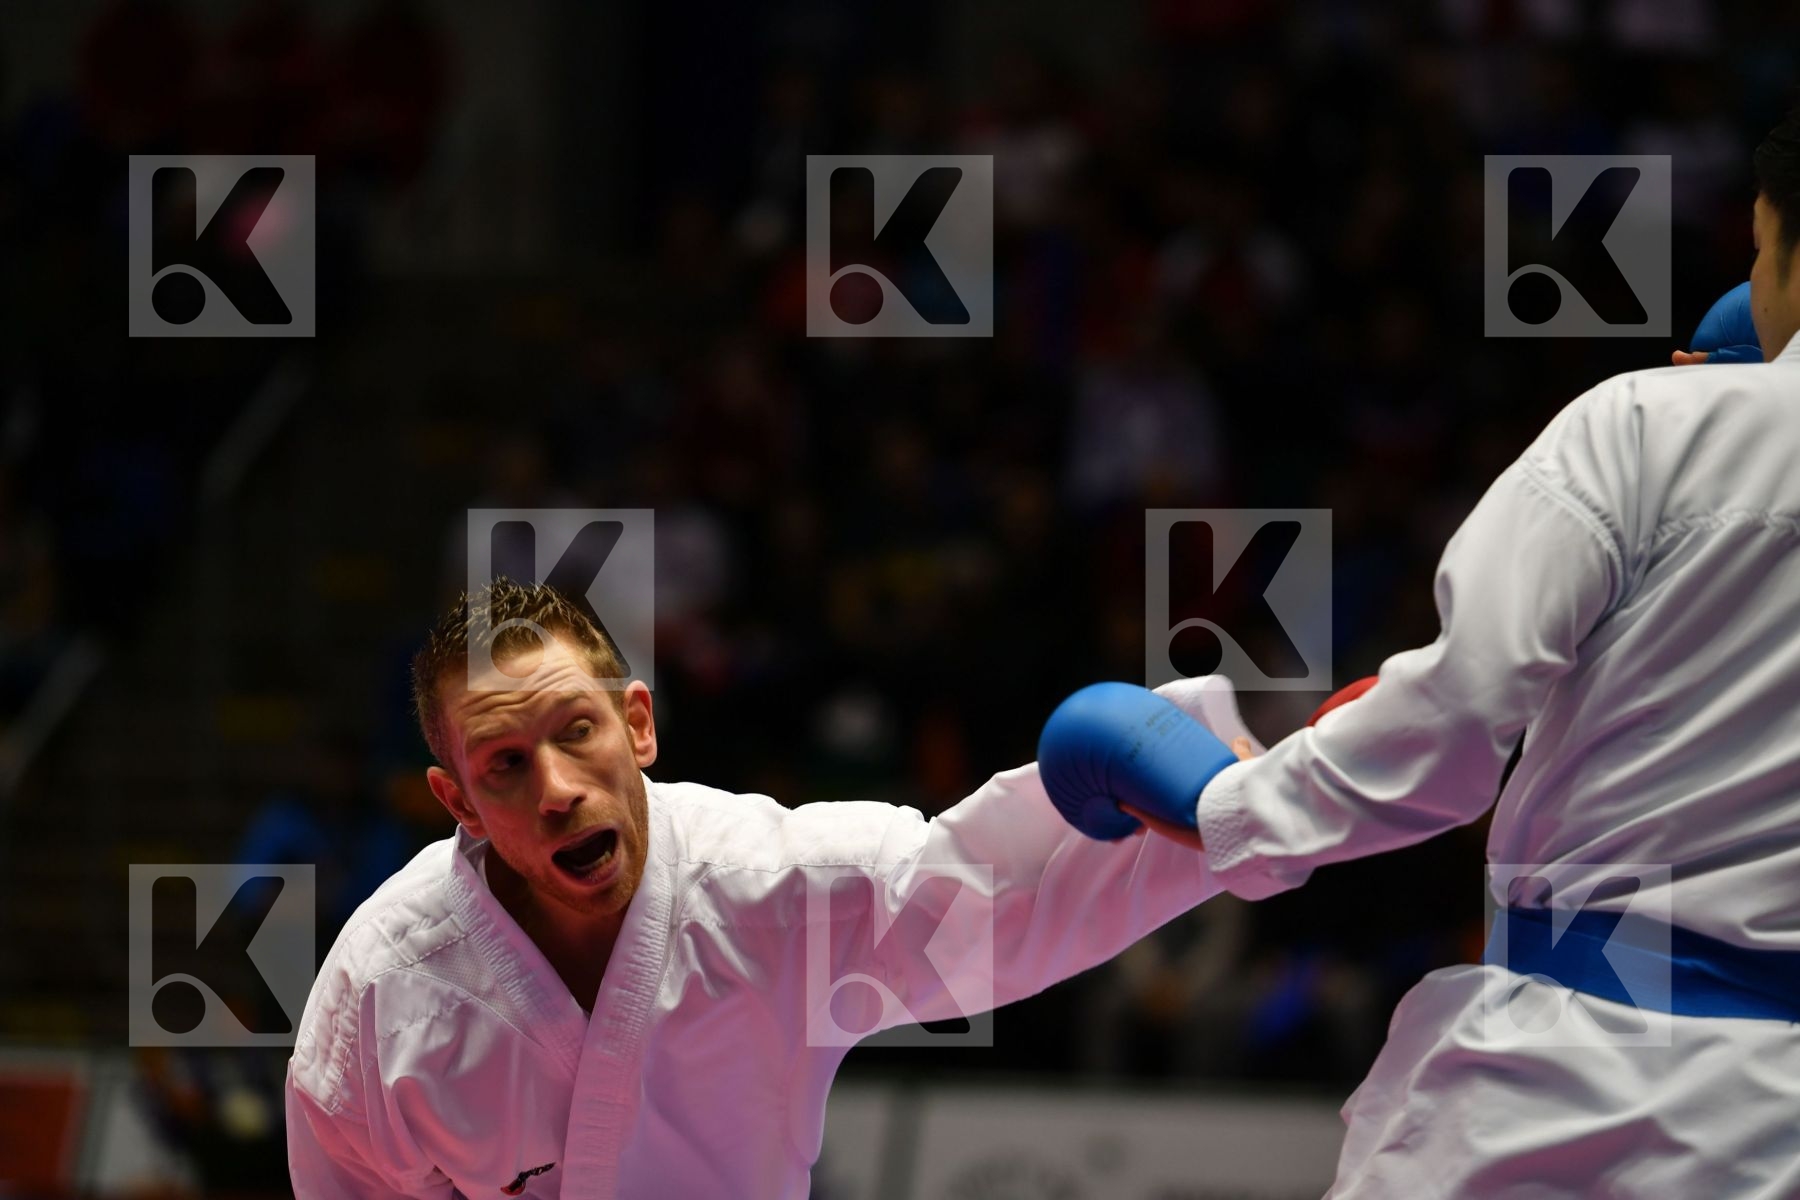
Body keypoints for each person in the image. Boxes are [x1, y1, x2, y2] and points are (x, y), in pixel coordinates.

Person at [1060, 108, 1800, 1197]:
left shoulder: (1655, 426)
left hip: (1583, 1090)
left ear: (1773, 228)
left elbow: (1458, 723)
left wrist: (1230, 805)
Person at [283, 578, 1251, 1198]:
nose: (557, 791)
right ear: (456, 800)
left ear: (639, 728)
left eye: (576, 731)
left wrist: (1250, 800)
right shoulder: (381, 997)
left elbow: (1013, 895)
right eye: (503, 765)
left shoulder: (778, 892)